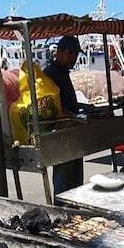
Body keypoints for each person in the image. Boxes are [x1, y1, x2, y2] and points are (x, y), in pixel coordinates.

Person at [44, 35, 85, 195]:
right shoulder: (50, 73)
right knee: (64, 182)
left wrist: (86, 108)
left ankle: (74, 214)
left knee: (76, 181)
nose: (74, 58)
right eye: (71, 53)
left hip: (72, 132)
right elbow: (53, 108)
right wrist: (75, 118)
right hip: (62, 134)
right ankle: (62, 214)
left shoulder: (63, 72)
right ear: (59, 52)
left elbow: (67, 102)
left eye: (76, 54)